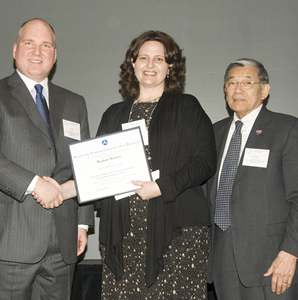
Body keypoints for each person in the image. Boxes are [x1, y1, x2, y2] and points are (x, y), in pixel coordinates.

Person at [0, 18, 94, 300]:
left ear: (55, 55)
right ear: (15, 50)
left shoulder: (75, 102)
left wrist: (82, 223)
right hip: (10, 239)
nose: (37, 51)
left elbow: (83, 165)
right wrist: (35, 184)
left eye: (46, 45)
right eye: (29, 43)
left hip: (63, 240)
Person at [93, 30, 216, 299]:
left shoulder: (186, 106)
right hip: (124, 233)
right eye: (143, 58)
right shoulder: (113, 114)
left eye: (159, 59)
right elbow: (97, 168)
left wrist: (161, 187)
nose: (150, 65)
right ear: (133, 64)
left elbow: (205, 161)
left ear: (170, 67)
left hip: (177, 232)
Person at [206, 58, 298, 299]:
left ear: (265, 90)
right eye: (231, 83)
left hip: (273, 262)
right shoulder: (214, 133)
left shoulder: (288, 129)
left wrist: (290, 253)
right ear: (225, 90)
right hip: (223, 263)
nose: (238, 89)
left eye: (247, 82)